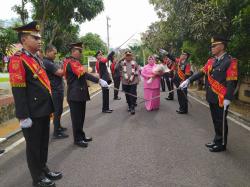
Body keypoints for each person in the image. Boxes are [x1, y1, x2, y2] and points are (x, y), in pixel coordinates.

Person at [8, 21, 62, 187]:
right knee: (33, 147)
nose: (40, 40)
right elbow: (18, 90)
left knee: (43, 144)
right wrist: (23, 116)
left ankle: (43, 169)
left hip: (43, 109)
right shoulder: (18, 60)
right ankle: (37, 178)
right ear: (24, 40)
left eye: (40, 37)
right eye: (35, 37)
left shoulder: (35, 58)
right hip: (32, 112)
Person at [179, 35, 238, 152]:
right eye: (211, 46)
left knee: (221, 121)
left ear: (222, 46)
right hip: (211, 96)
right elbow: (201, 72)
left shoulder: (230, 61)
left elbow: (232, 81)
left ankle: (222, 144)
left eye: (214, 46)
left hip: (221, 98)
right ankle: (217, 140)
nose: (212, 48)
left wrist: (228, 98)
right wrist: (188, 80)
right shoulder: (211, 61)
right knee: (215, 120)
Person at [63, 42, 109, 147]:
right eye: (79, 51)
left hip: (79, 94)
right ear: (73, 51)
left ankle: (81, 135)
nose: (81, 53)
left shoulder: (76, 62)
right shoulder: (71, 62)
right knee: (77, 119)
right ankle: (77, 139)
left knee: (81, 117)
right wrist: (99, 80)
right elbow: (84, 74)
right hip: (75, 95)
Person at [43, 45, 69, 139]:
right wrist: (66, 65)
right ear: (48, 52)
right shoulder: (47, 63)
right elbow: (60, 73)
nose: (55, 55)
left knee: (59, 110)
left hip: (58, 89)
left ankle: (58, 127)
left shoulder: (50, 62)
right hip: (55, 90)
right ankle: (56, 132)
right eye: (54, 53)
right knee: (57, 111)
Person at [120, 51, 139, 115]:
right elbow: (116, 67)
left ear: (131, 56)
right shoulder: (122, 63)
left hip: (133, 82)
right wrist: (121, 58)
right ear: (125, 56)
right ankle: (129, 105)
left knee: (132, 94)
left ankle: (132, 107)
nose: (128, 57)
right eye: (127, 55)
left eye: (129, 55)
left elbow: (138, 70)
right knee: (127, 94)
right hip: (125, 82)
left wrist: (135, 74)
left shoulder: (134, 63)